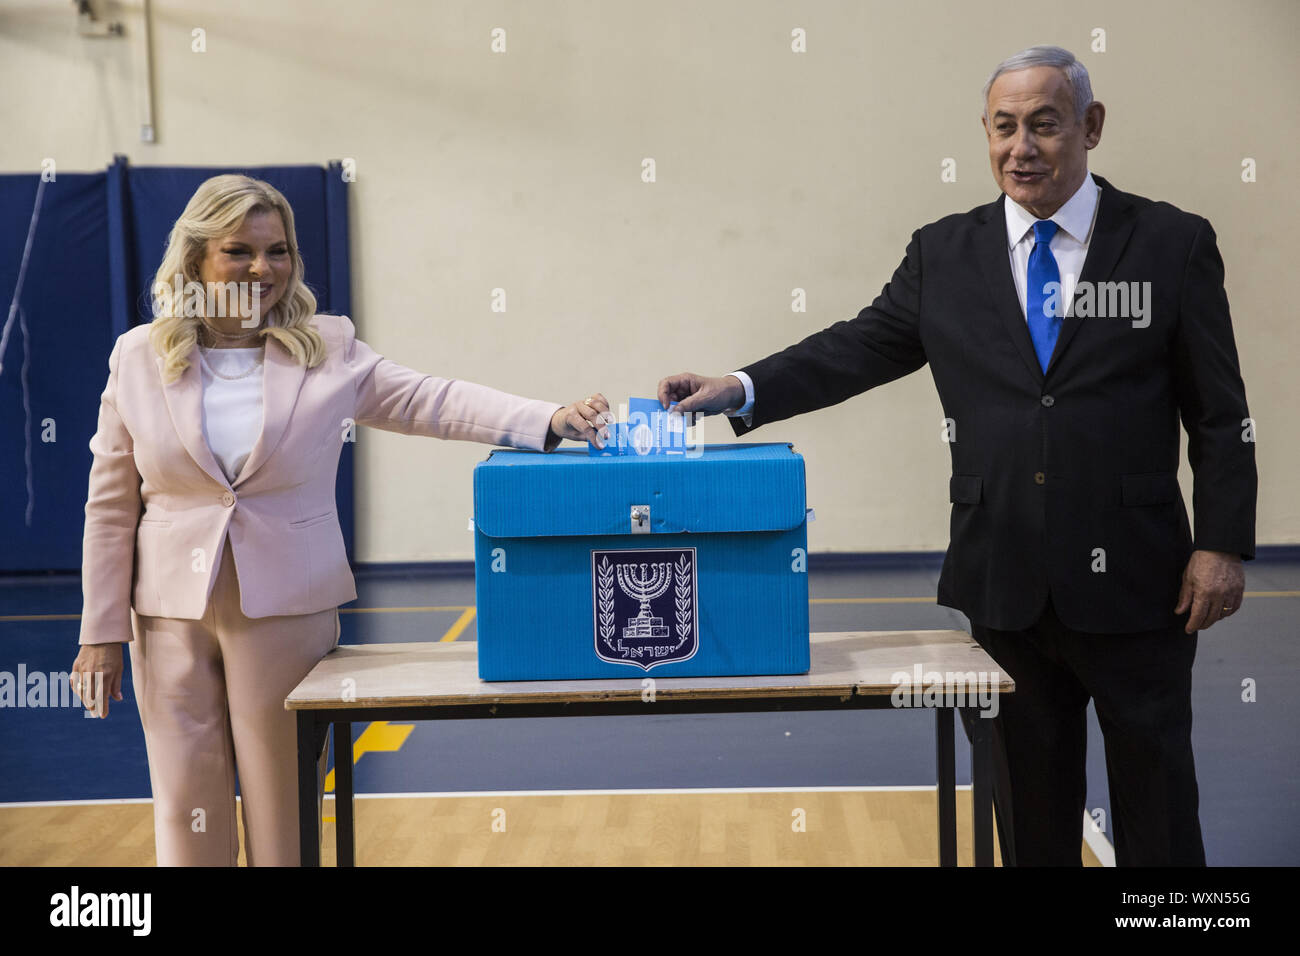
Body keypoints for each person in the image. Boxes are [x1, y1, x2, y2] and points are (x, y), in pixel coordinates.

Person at [657, 45, 1256, 866]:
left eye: (1044, 125)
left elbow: (1221, 414)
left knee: (1157, 802)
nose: (1023, 147)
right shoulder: (945, 254)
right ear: (984, 133)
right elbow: (858, 347)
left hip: (1142, 582)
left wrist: (1221, 543)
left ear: (1091, 126)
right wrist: (741, 385)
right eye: (1004, 127)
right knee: (1029, 810)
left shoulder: (1170, 243)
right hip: (1003, 579)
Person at [68, 174, 613, 866]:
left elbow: (433, 401)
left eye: (279, 251)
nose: (262, 268)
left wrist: (547, 420)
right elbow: (110, 504)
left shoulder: (328, 349)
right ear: (197, 257)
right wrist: (100, 633)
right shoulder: (138, 356)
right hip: (167, 618)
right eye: (239, 251)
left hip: (286, 607)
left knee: (282, 803)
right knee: (184, 807)